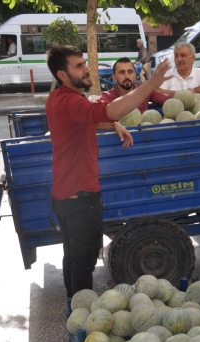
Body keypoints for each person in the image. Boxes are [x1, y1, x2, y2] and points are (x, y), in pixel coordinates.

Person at [45, 45, 171, 298]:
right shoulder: (69, 100)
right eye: (78, 65)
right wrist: (151, 83)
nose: (86, 68)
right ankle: (81, 319)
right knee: (84, 261)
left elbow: (95, 117)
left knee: (73, 257)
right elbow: (109, 109)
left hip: (66, 195)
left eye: (84, 63)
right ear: (62, 74)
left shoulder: (61, 98)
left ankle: (74, 308)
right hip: (81, 197)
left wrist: (112, 124)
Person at [98, 57, 170, 113]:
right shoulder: (106, 98)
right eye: (122, 72)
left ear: (135, 75)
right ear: (114, 78)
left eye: (130, 72)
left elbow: (169, 100)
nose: (127, 76)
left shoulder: (145, 91)